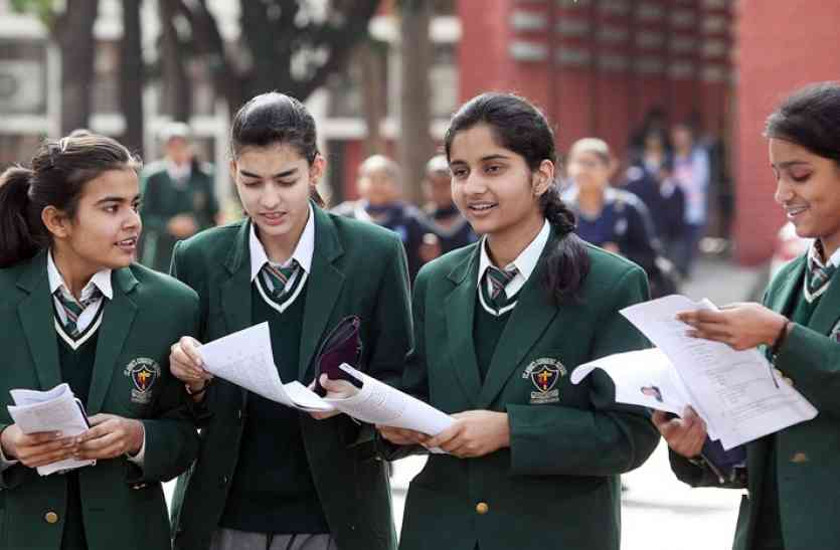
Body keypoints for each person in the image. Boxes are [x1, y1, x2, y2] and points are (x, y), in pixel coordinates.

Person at [380, 93, 660, 550]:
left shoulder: (611, 283)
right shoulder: (435, 281)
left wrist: (511, 430)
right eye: (459, 171)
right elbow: (421, 396)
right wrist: (393, 427)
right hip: (441, 529)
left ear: (542, 175)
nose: (472, 187)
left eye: (494, 168)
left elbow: (629, 436)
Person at [166, 92, 413, 550]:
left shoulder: (374, 254)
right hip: (224, 514)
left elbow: (401, 378)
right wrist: (191, 380)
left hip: (337, 518)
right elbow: (175, 410)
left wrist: (356, 401)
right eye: (251, 181)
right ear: (233, 169)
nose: (269, 199)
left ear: (316, 169)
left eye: (286, 179)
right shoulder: (199, 257)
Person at [653, 82, 840, 550]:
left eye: (799, 175)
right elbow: (770, 420)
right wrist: (701, 445)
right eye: (777, 174)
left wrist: (781, 335)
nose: (781, 193)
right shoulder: (786, 279)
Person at [0, 134, 200, 549]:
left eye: (135, 205)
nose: (133, 222)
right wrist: (6, 444)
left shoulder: (172, 305)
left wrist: (138, 437)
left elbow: (187, 436)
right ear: (57, 221)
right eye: (112, 207)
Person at [562, 138, 660, 277]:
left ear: (610, 167)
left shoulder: (628, 207)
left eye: (590, 163)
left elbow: (650, 257)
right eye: (578, 163)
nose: (583, 170)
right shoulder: (558, 208)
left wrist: (620, 258)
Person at [139, 122, 219, 273]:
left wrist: (195, 224)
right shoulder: (152, 177)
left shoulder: (204, 175)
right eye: (172, 146)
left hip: (195, 249)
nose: (178, 151)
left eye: (182, 145)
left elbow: (213, 214)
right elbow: (143, 216)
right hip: (161, 254)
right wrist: (169, 225)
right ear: (165, 148)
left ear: (190, 147)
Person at [332, 155, 428, 280]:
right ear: (359, 182)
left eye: (384, 179)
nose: (377, 185)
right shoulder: (343, 216)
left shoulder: (410, 218)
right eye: (371, 178)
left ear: (396, 184)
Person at [670, 122, 710, 277]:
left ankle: (686, 269)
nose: (679, 140)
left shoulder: (698, 156)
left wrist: (680, 184)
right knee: (675, 240)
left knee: (690, 239)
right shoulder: (671, 156)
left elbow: (700, 180)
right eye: (676, 137)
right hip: (673, 207)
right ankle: (677, 269)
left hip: (692, 205)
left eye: (682, 137)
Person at [421, 154, 477, 255]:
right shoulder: (419, 221)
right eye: (435, 184)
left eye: (445, 184)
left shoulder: (473, 218)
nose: (440, 190)